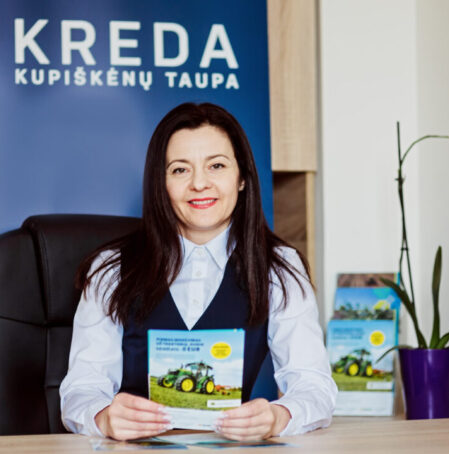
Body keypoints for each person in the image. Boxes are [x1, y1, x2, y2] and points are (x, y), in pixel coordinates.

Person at [60, 102, 336, 441]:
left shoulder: (278, 268)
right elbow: (81, 389)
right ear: (160, 184)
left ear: (242, 178)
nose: (199, 184)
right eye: (180, 170)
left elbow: (314, 386)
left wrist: (279, 417)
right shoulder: (111, 269)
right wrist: (102, 418)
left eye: (216, 165)